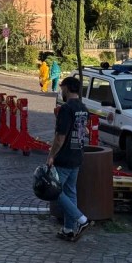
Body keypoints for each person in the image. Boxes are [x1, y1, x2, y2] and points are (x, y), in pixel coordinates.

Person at [46, 76, 91, 241]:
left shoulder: (66, 109)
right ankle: (68, 229)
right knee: (71, 193)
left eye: (62, 88)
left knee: (53, 191)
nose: (61, 91)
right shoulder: (83, 108)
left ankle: (81, 219)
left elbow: (60, 137)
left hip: (64, 157)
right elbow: (84, 131)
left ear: (67, 88)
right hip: (77, 156)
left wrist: (51, 156)